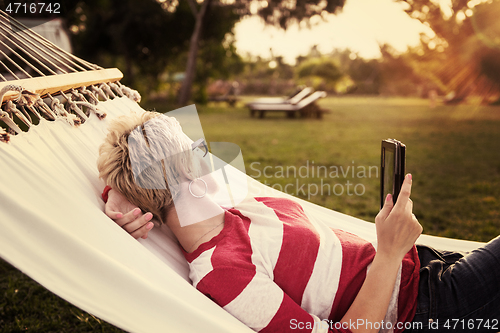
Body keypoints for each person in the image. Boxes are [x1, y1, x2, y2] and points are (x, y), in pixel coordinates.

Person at [97, 110, 500, 333]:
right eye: (195, 148)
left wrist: (117, 193)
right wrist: (390, 253)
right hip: (427, 309)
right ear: (181, 173)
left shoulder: (238, 209)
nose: (208, 151)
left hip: (425, 267)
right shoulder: (223, 272)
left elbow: (147, 183)